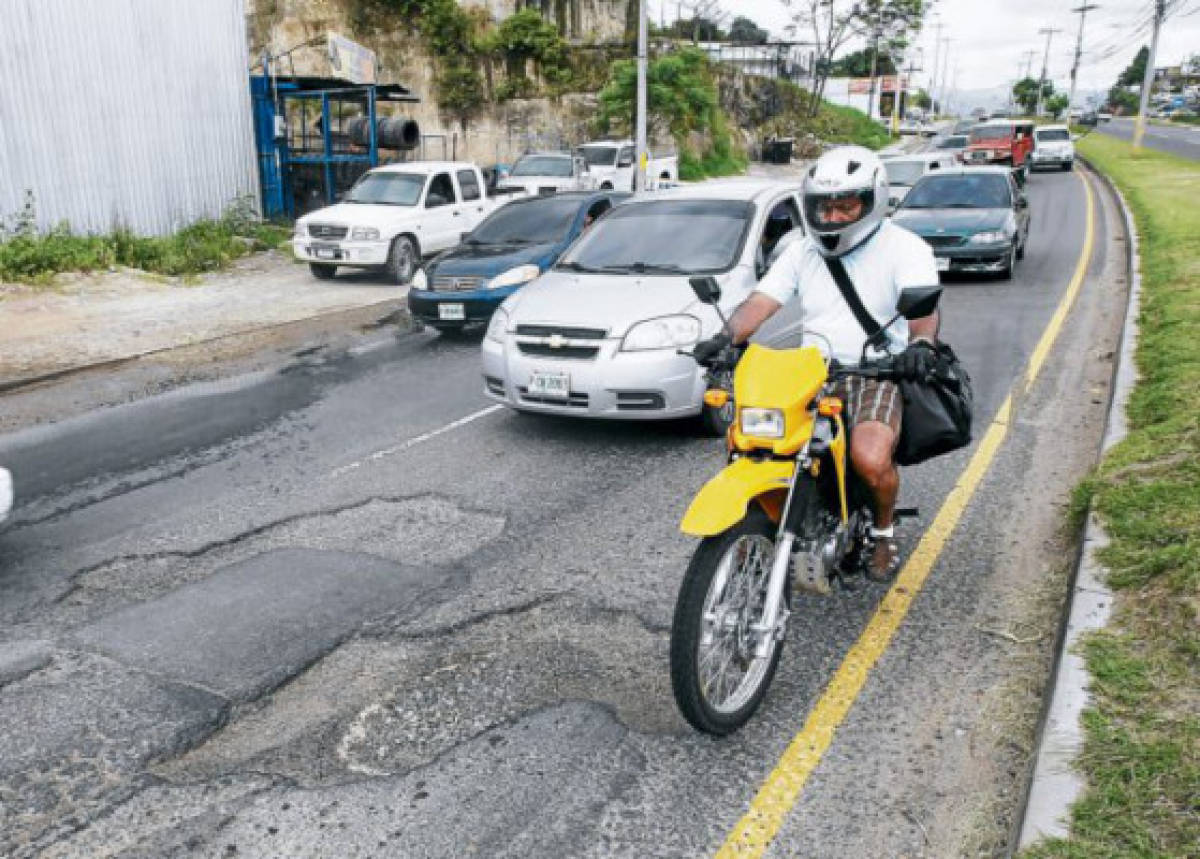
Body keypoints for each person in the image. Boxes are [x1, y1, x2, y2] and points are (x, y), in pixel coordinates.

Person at [694, 145, 941, 581]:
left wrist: (921, 345)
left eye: (845, 205)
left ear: (872, 201)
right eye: (822, 207)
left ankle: (883, 534)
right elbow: (761, 301)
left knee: (869, 456)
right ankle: (764, 523)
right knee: (750, 441)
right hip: (810, 371)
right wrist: (725, 337)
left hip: (876, 372)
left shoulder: (905, 248)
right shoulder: (801, 251)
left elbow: (924, 312)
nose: (831, 217)